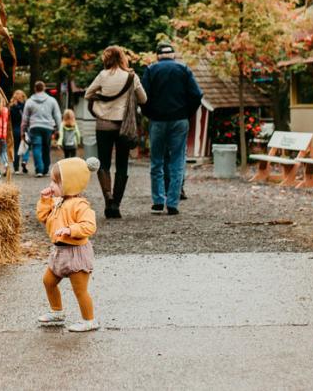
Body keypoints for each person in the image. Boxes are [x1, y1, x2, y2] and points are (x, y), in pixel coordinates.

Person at [36, 156, 101, 333]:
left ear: (71, 184)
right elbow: (43, 218)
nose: (51, 186)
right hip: (59, 252)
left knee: (80, 290)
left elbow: (89, 226)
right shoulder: (57, 201)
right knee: (48, 281)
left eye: (56, 182)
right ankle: (57, 312)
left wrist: (70, 230)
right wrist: (44, 201)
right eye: (51, 181)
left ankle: (89, 320)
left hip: (76, 253)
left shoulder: (80, 205)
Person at [140, 43, 203, 216]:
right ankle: (173, 203)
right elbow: (197, 95)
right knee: (177, 160)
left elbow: (142, 97)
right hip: (179, 120)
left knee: (157, 161)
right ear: (173, 55)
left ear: (157, 56)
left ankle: (158, 201)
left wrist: (149, 113)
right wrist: (186, 113)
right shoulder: (183, 69)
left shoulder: (151, 70)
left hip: (158, 121)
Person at [84, 46, 146, 219]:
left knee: (103, 163)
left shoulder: (102, 76)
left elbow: (88, 94)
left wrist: (102, 98)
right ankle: (116, 205)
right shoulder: (131, 76)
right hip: (124, 127)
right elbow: (144, 99)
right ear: (122, 58)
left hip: (103, 125)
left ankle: (108, 198)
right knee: (122, 164)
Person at [21, 81, 61, 177]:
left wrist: (23, 130)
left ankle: (39, 169)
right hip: (48, 127)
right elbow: (57, 115)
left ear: (35, 88)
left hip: (34, 127)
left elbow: (25, 118)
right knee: (46, 148)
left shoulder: (30, 101)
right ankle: (46, 169)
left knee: (36, 147)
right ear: (44, 88)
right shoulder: (52, 100)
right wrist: (58, 129)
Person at [9, 90, 27, 173]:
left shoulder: (11, 107)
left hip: (15, 129)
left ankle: (16, 168)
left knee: (16, 149)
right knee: (25, 147)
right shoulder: (25, 106)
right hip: (24, 129)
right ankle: (24, 161)